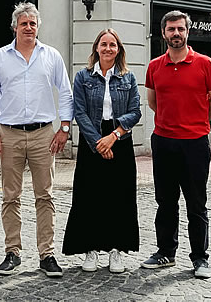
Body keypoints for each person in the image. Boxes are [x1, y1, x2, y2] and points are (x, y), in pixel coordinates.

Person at [0, 2, 73, 277]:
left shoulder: (52, 56)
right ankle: (13, 252)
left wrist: (64, 129)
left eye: (33, 23)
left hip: (45, 133)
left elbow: (66, 93)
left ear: (38, 27)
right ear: (14, 27)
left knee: (45, 195)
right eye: (24, 23)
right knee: (11, 196)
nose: (29, 28)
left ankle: (47, 254)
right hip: (8, 134)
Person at [142, 10, 211, 279]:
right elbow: (153, 102)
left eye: (180, 29)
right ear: (163, 33)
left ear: (187, 32)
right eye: (170, 29)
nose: (175, 33)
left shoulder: (205, 63)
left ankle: (200, 258)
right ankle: (166, 252)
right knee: (165, 202)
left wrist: (196, 122)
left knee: (196, 204)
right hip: (164, 142)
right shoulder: (155, 66)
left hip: (194, 144)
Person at [63, 28, 141, 273]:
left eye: (113, 45)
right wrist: (99, 142)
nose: (108, 48)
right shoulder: (83, 77)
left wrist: (114, 136)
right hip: (92, 141)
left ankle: (116, 250)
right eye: (104, 44)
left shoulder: (128, 78)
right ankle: (91, 249)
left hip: (120, 139)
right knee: (90, 197)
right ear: (96, 48)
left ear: (119, 50)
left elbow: (135, 111)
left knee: (119, 197)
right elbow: (80, 112)